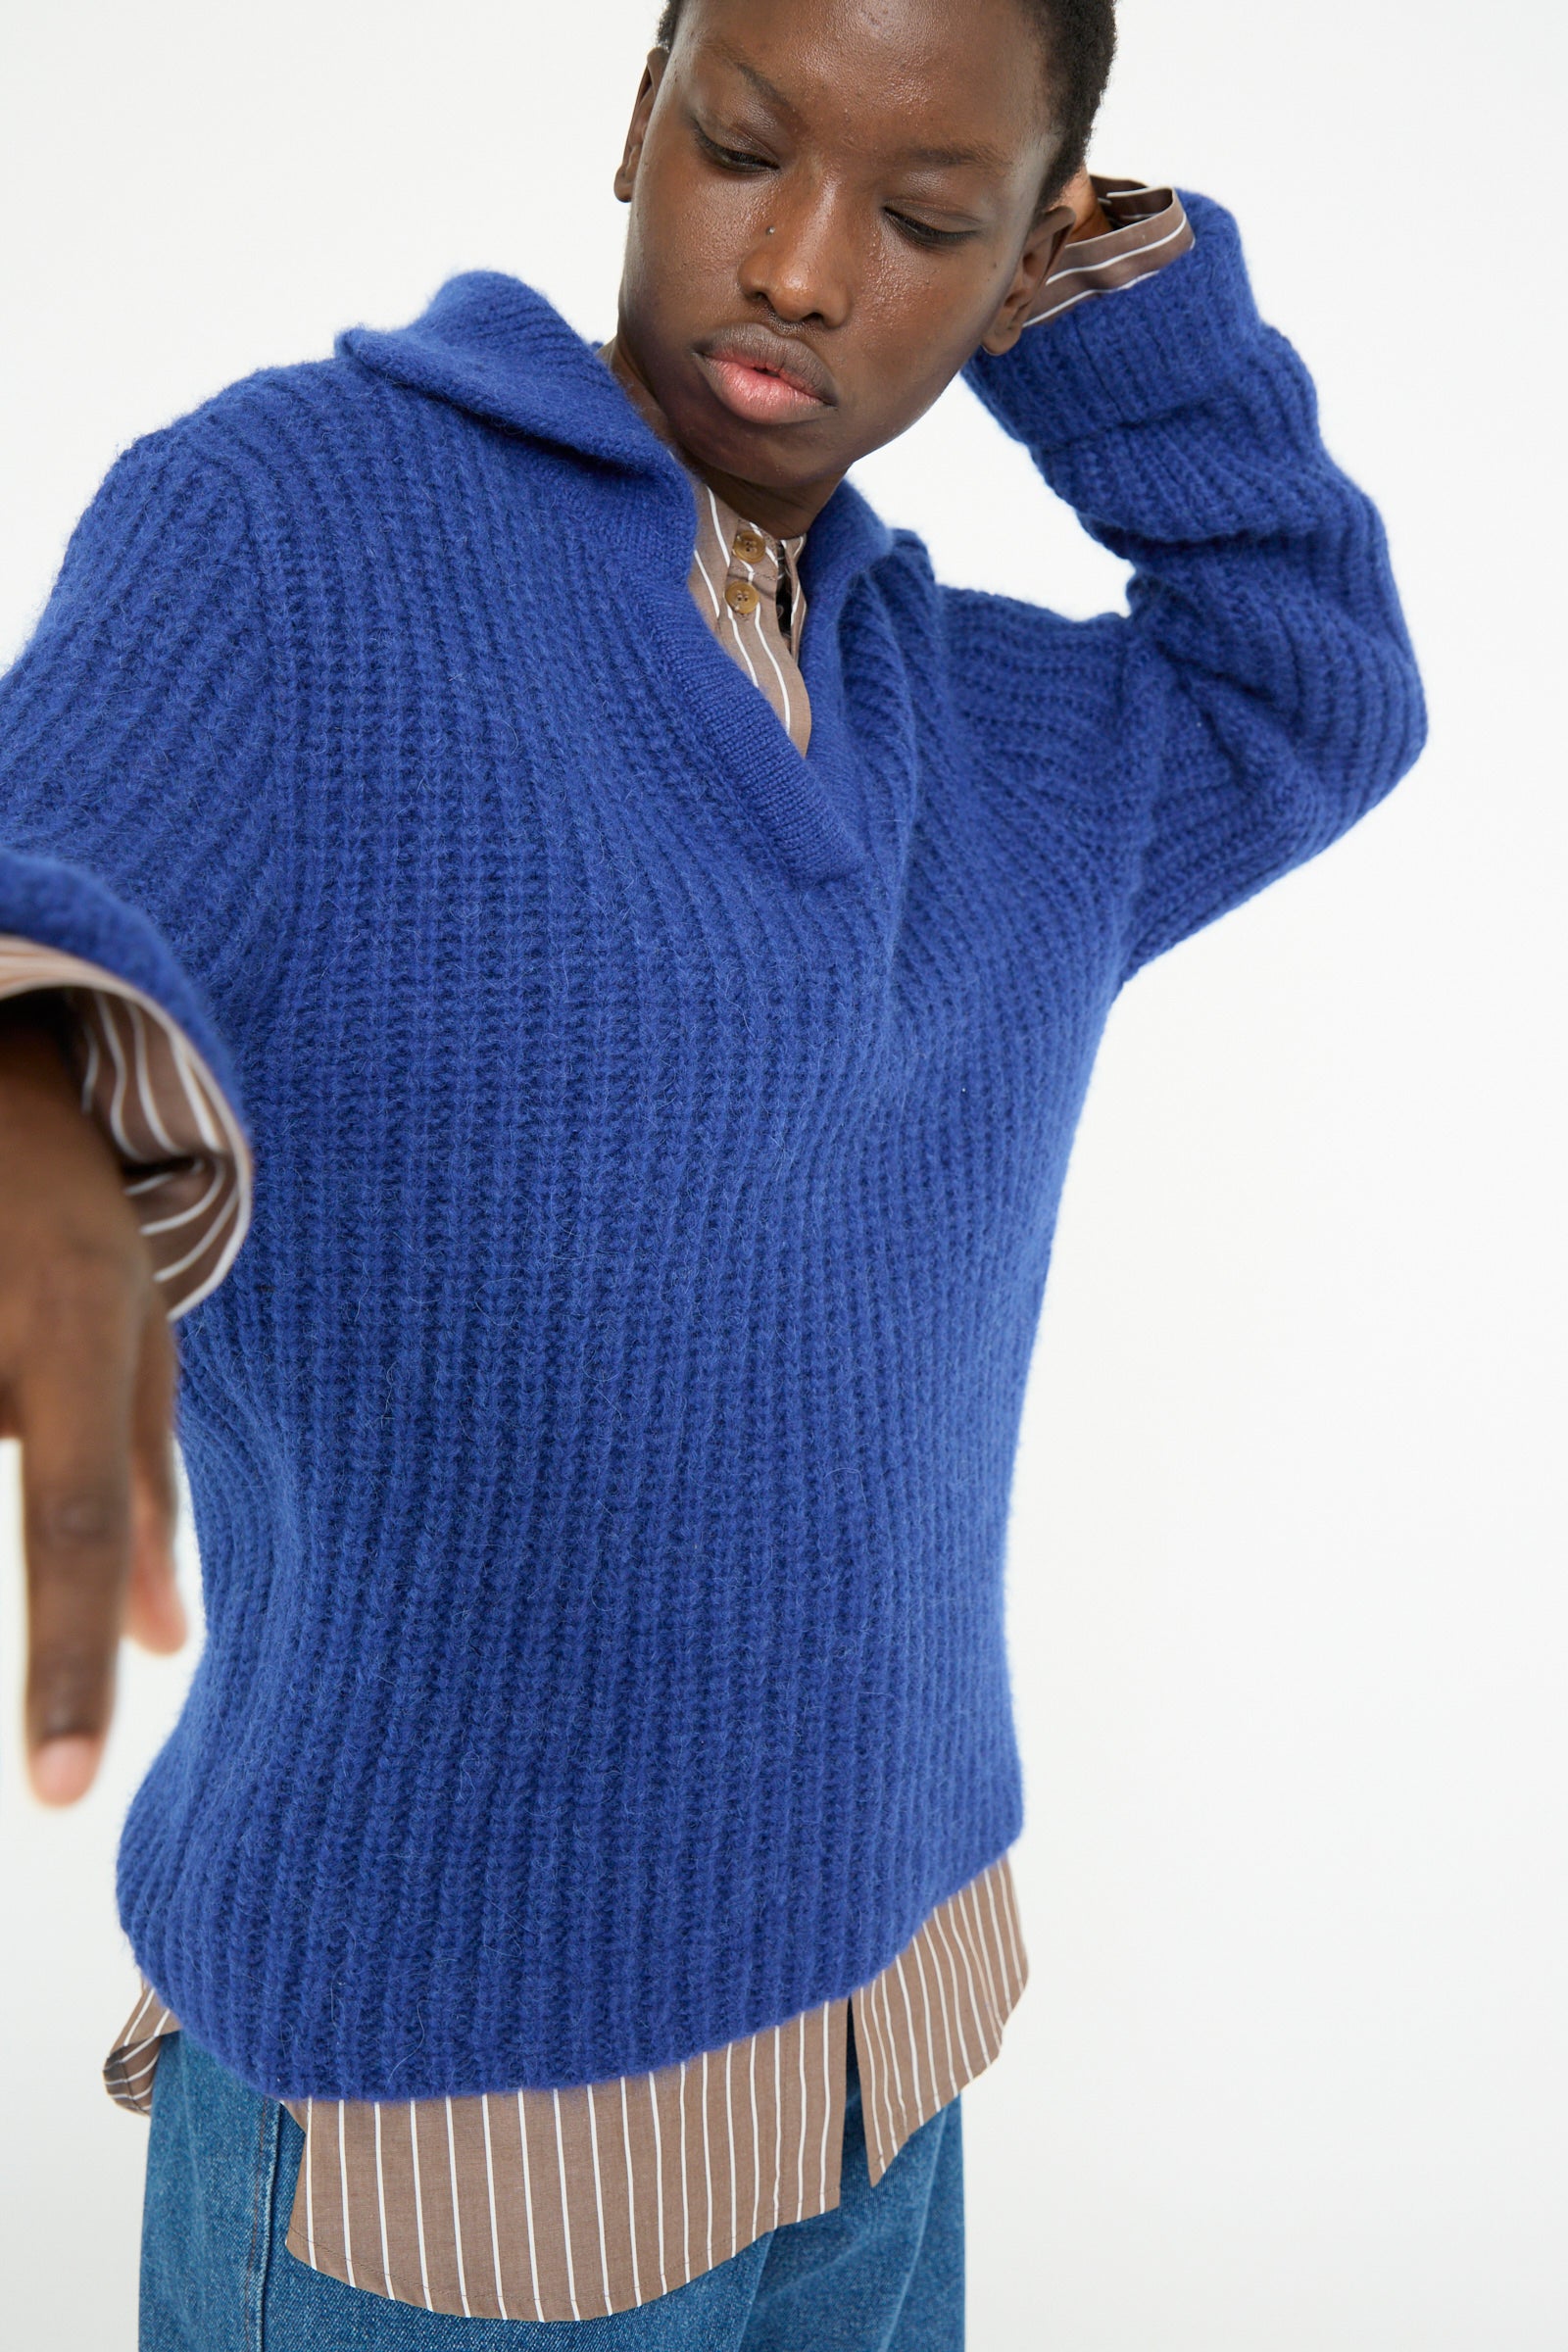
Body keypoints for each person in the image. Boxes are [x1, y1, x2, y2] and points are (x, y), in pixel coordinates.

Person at [0, 0, 1427, 2342]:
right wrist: (37, 1098)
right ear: (634, 119)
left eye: (927, 218)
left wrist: (1114, 297)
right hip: (454, 2156)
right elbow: (61, 835)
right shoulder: (298, 525)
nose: (794, 265)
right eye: (741, 146)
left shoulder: (976, 727)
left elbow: (1308, 681)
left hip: (885, 2057)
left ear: (1020, 268)